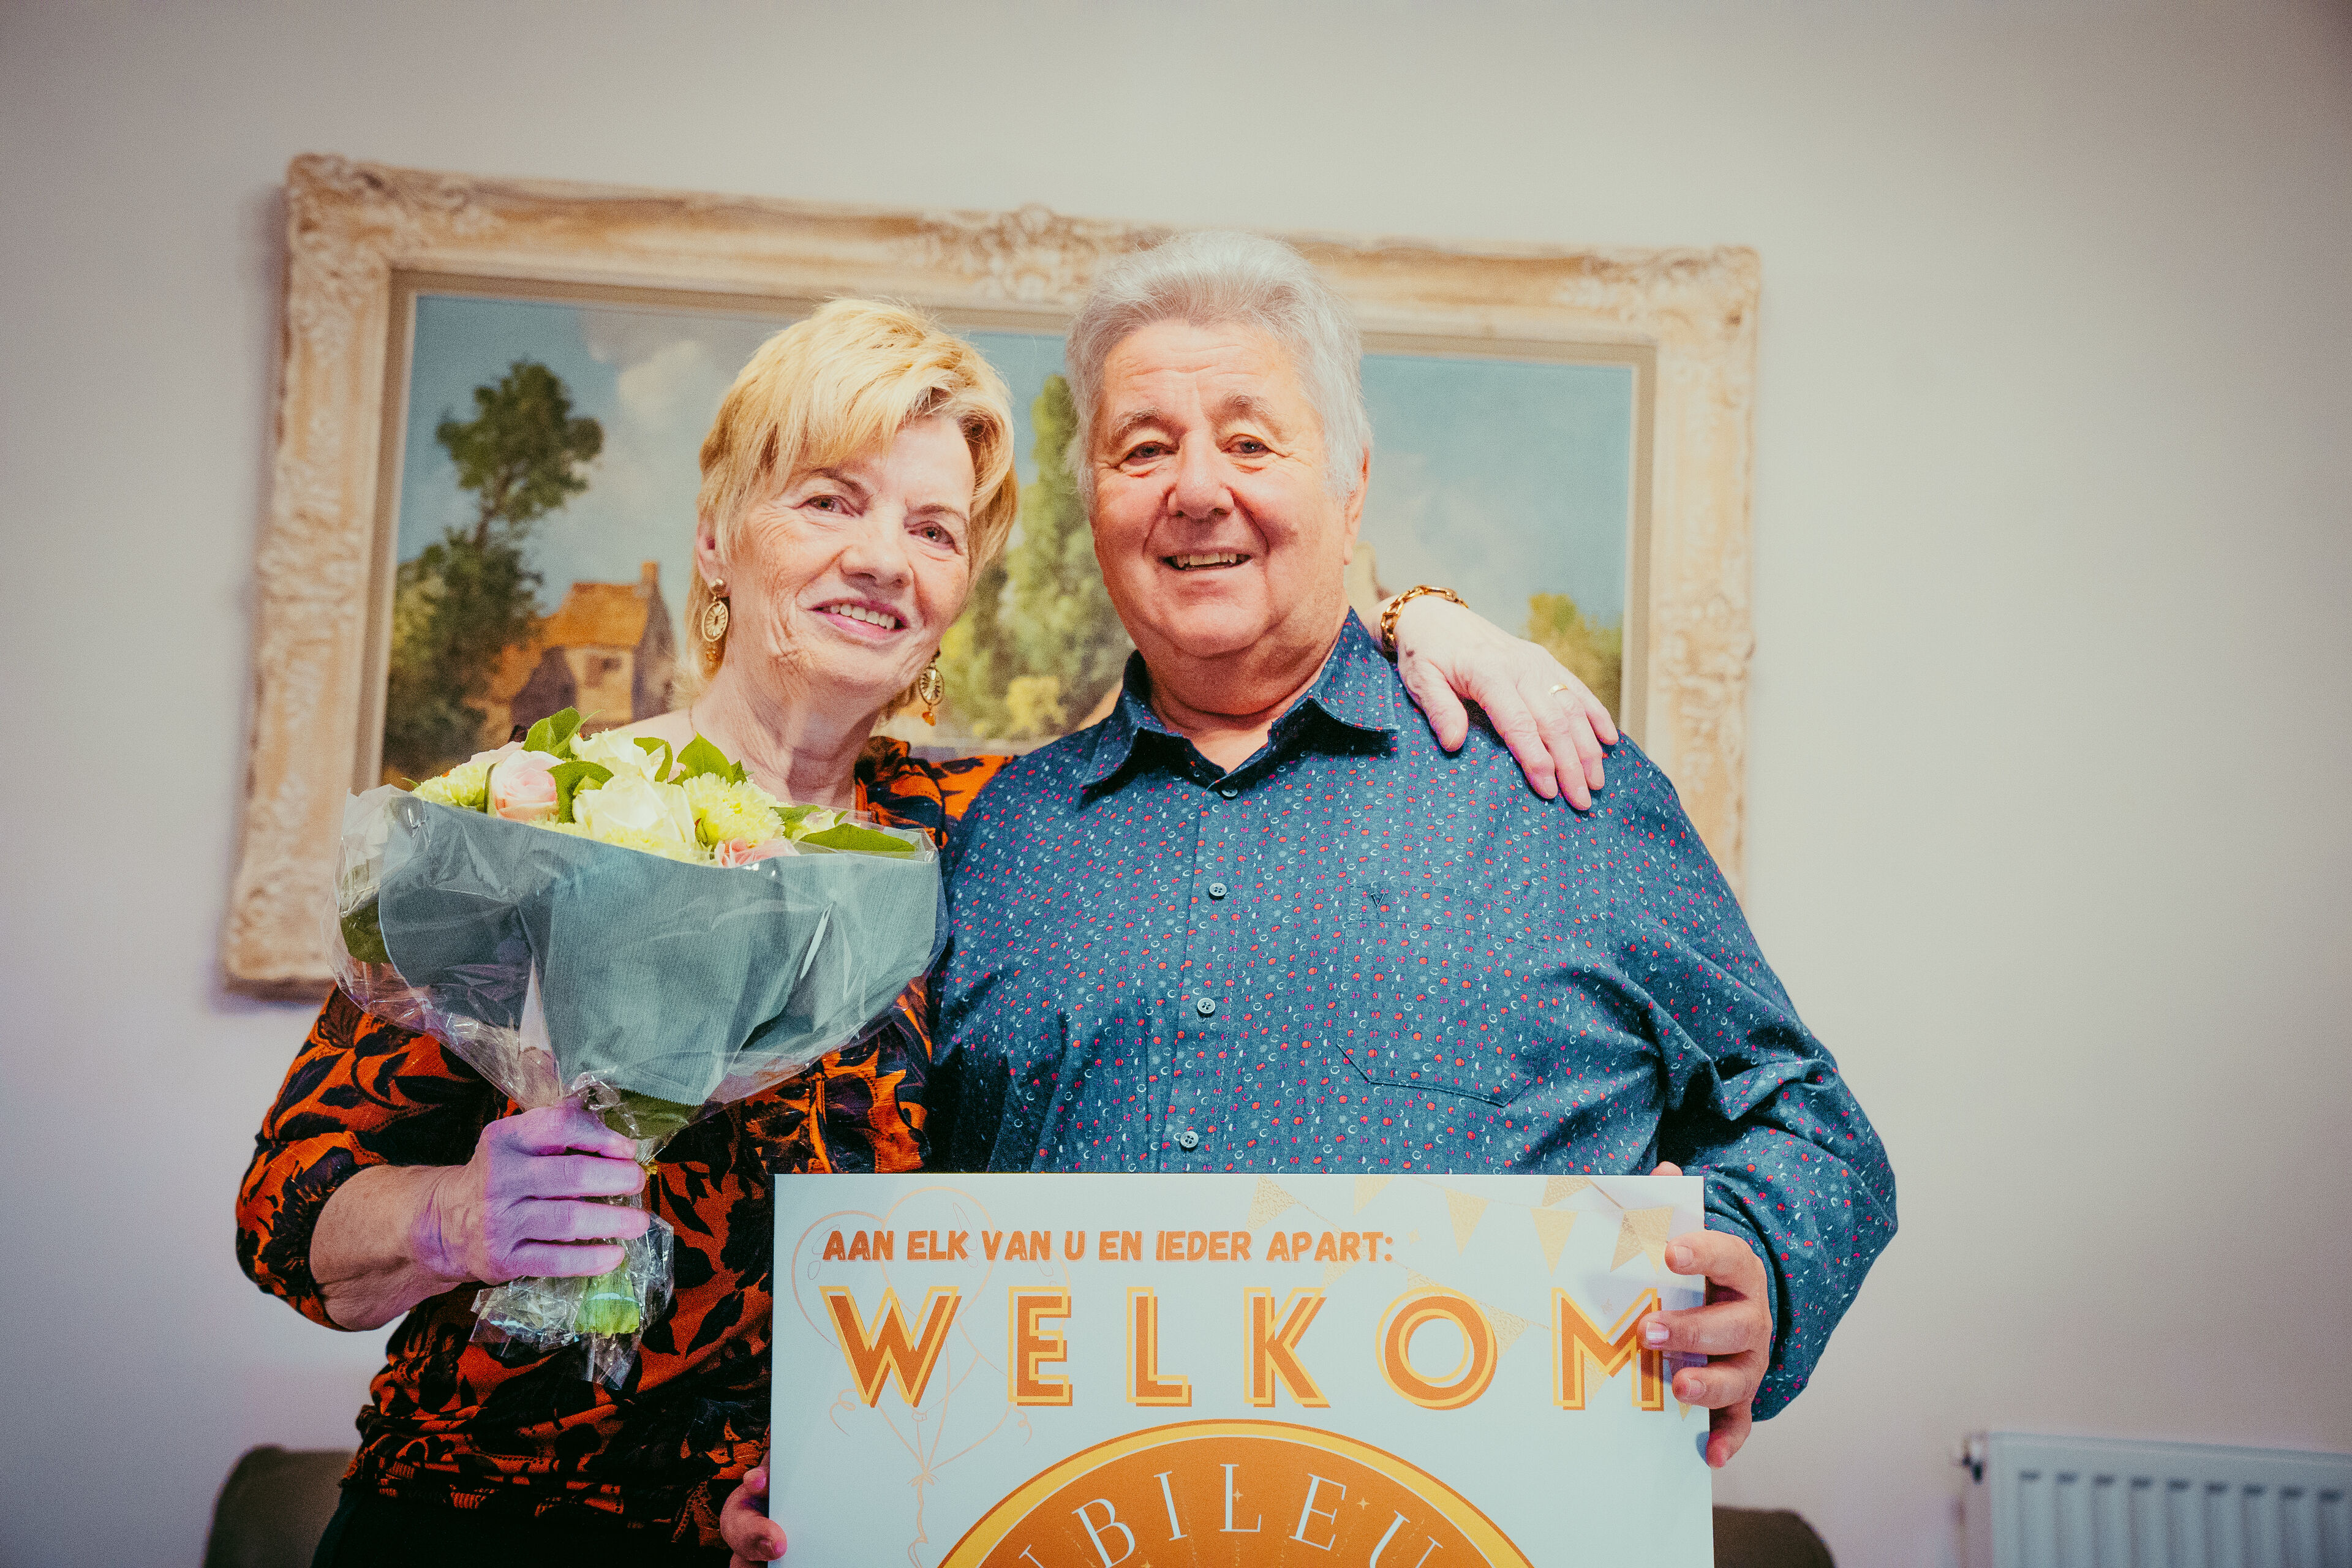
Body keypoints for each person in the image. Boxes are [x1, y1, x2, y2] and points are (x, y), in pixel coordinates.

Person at [237, 298, 1617, 1564]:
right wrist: (456, 1218)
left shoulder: (995, 832)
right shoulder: (530, 811)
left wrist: (1419, 618)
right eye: (829, 500)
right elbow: (288, 1207)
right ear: (717, 535)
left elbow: (1233, 679)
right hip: (478, 1523)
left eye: (935, 529)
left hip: (824, 1530)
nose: (881, 560)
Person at [923, 233, 1897, 1491]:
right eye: (1143, 449)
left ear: (1353, 487)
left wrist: (1758, 1251)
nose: (1196, 488)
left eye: (1251, 441)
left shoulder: (1558, 787)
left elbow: (1810, 1121)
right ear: (1095, 503)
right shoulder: (997, 840)